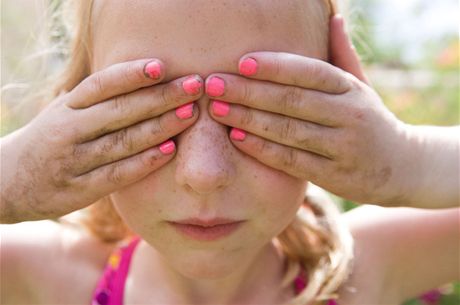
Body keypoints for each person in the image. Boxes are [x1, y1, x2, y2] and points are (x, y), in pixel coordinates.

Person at [0, 0, 458, 304]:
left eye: (263, 108)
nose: (204, 174)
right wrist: (10, 182)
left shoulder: (360, 269)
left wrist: (414, 160)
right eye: (146, 111)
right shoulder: (50, 276)